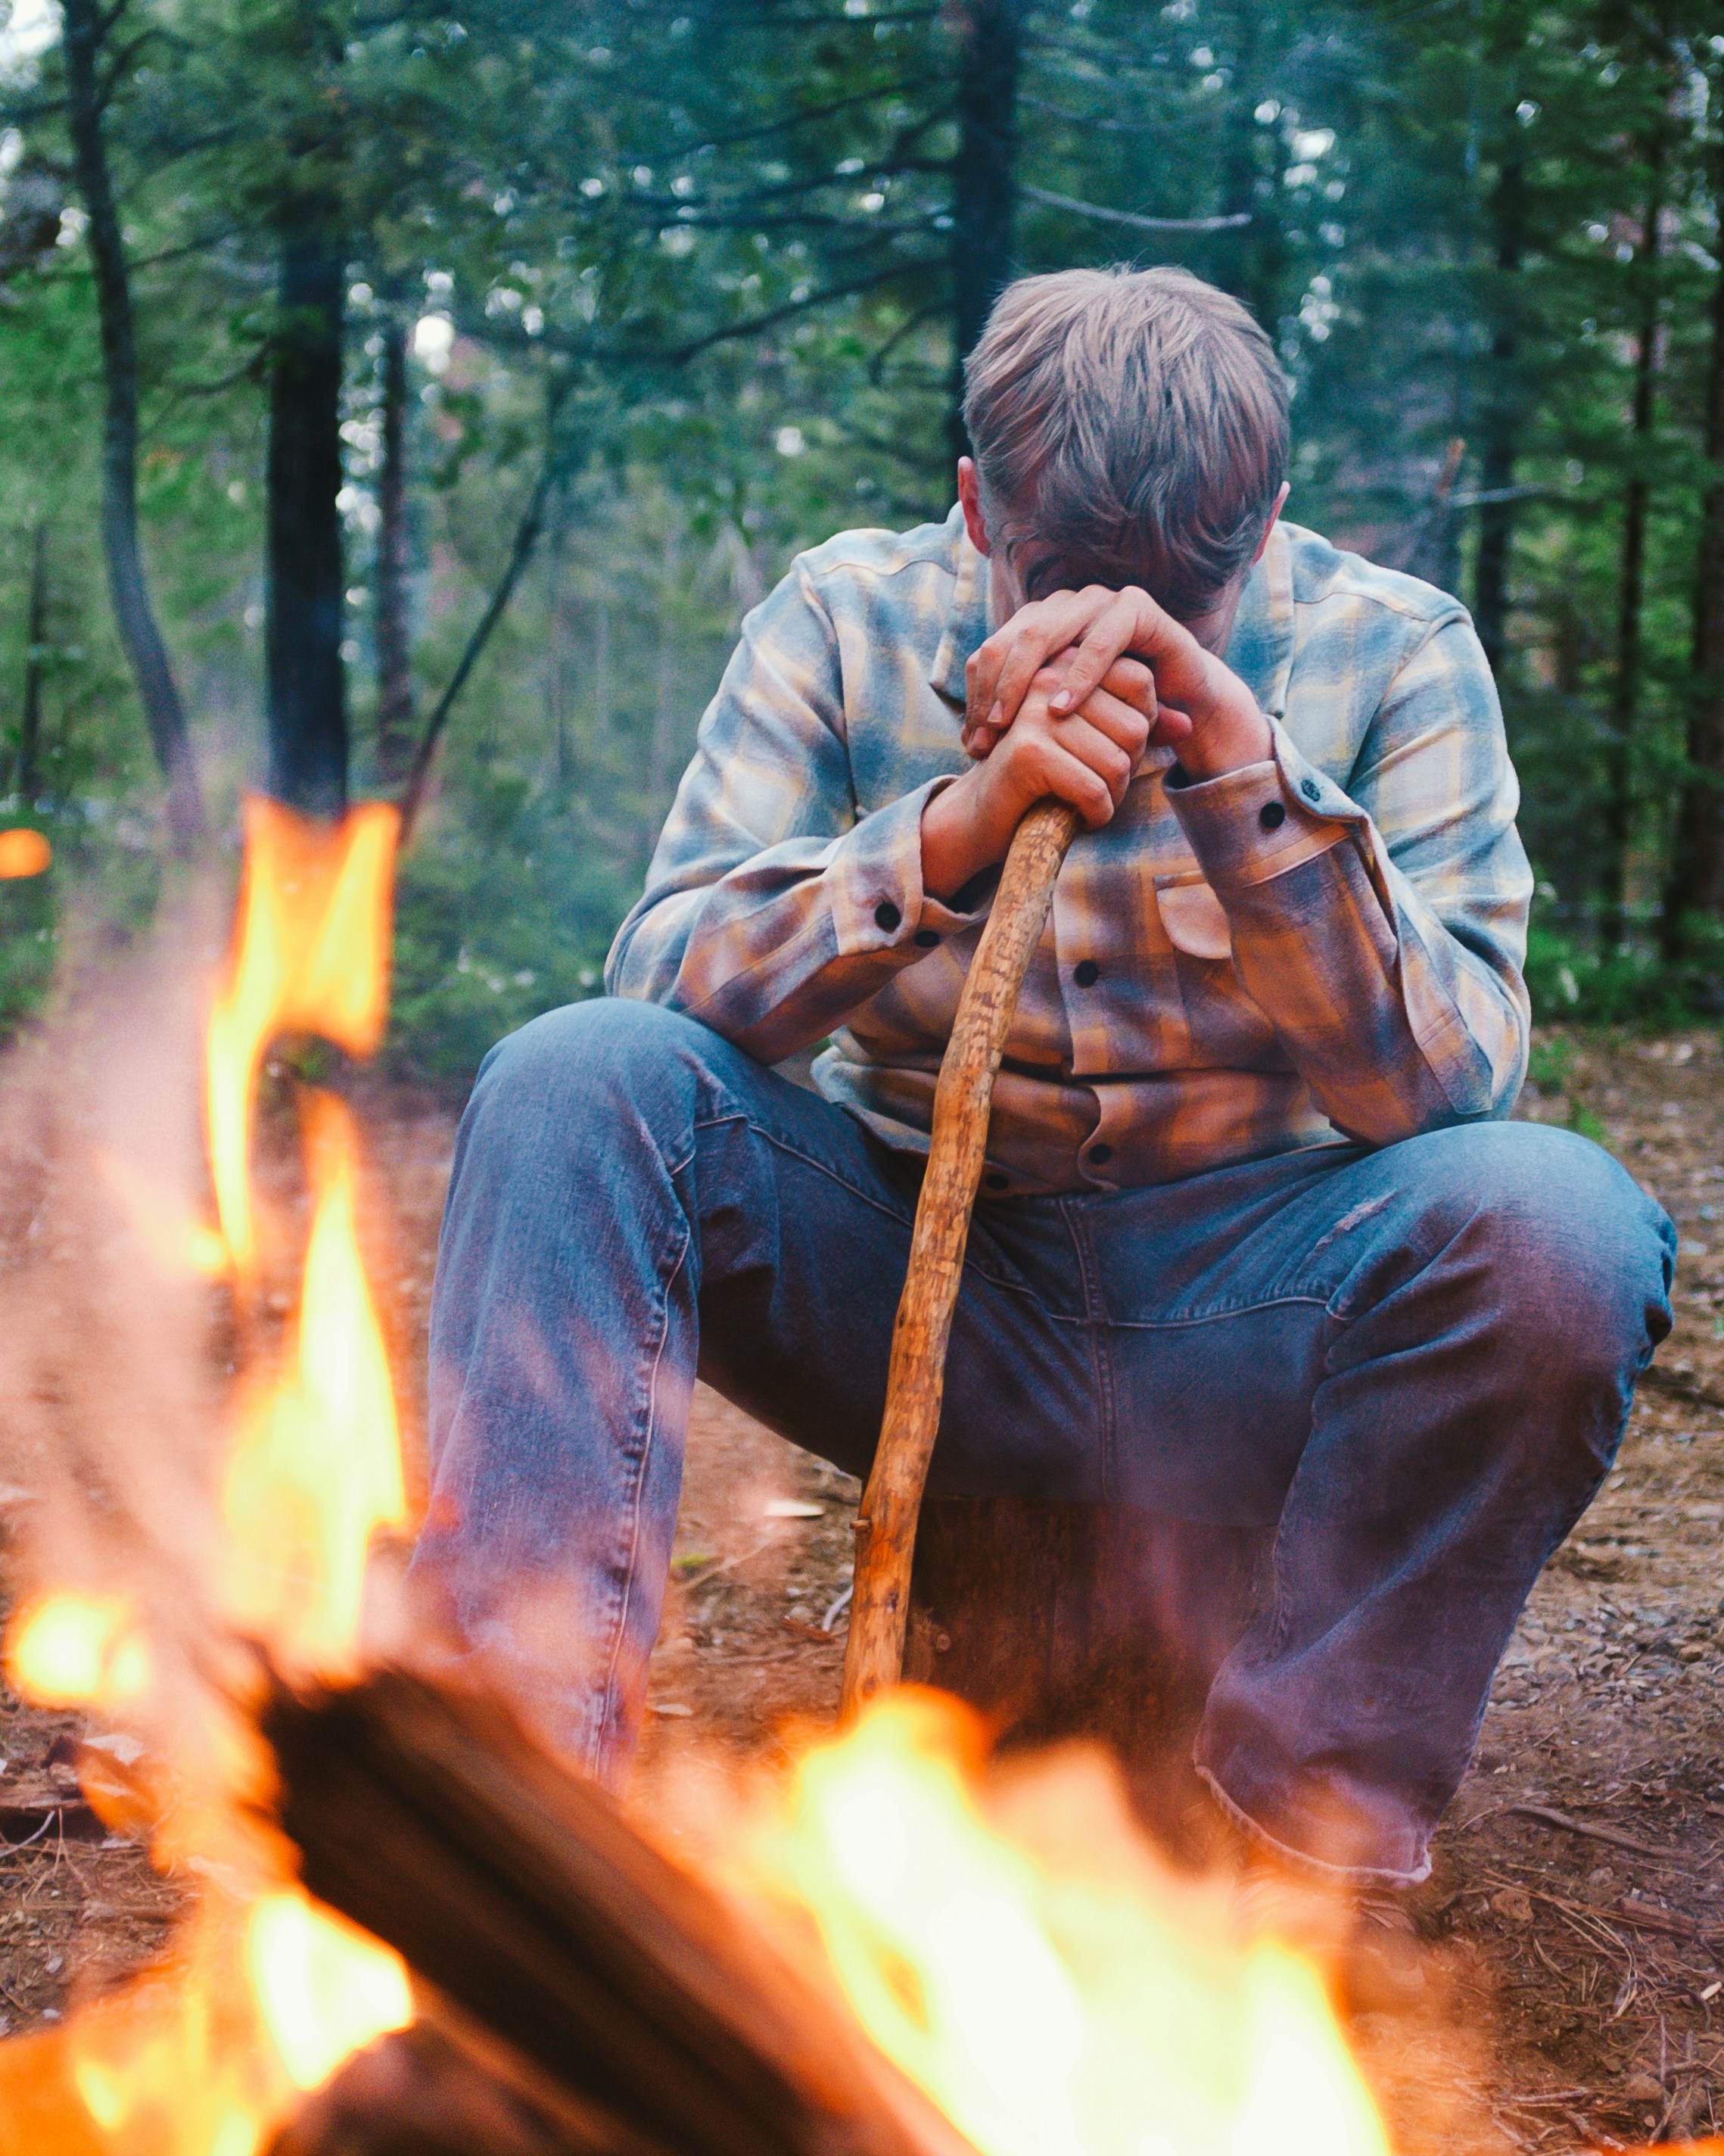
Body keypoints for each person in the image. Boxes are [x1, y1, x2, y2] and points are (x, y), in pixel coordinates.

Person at [417, 265, 1673, 1898]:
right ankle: (506, 1802)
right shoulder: (842, 615)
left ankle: (1292, 1838)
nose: (1117, 648)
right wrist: (945, 828)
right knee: (568, 1081)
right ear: (970, 509)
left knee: (1559, 1224)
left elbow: (1450, 1084)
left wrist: (1242, 775)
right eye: (1060, 585)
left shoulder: (1393, 651)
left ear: (1268, 520)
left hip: (1260, 1298)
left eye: (1182, 609)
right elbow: (663, 973)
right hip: (917, 1286)